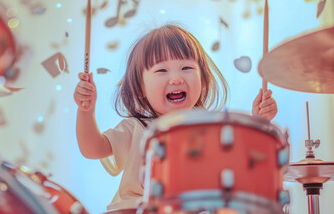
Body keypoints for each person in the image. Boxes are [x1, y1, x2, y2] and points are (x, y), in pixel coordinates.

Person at [73, 24, 278, 211]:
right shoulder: (136, 128)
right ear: (140, 88)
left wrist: (259, 122)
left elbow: (244, 164)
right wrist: (86, 111)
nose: (177, 78)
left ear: (204, 80)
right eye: (162, 70)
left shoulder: (214, 131)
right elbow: (92, 148)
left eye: (187, 68)